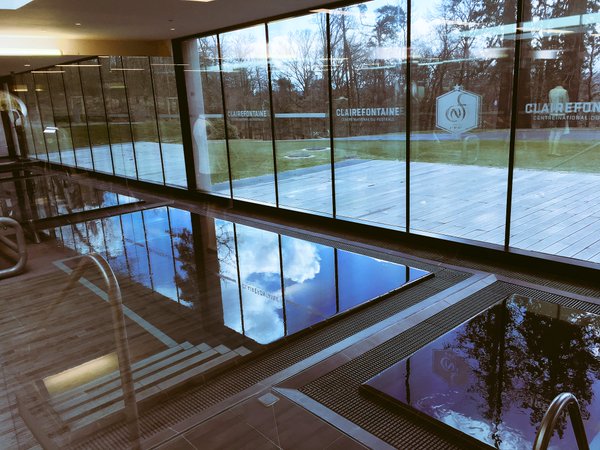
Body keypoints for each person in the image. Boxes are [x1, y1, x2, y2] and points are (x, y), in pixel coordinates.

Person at [548, 85, 569, 156]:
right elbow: (566, 104)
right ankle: (554, 151)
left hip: (552, 114)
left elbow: (550, 103)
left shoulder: (551, 91)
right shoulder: (564, 92)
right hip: (561, 114)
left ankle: (550, 151)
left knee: (552, 133)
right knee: (558, 134)